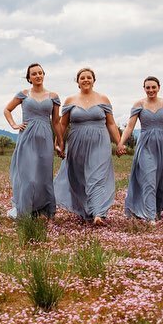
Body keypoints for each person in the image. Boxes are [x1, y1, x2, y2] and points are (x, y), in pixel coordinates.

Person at [54, 67, 121, 225]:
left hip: (100, 142)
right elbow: (62, 124)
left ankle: (98, 213)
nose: (85, 80)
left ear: (93, 80)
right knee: (79, 178)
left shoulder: (103, 99)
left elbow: (111, 123)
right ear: (77, 82)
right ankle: (87, 210)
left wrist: (119, 143)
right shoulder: (70, 101)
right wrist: (58, 143)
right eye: (82, 78)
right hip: (77, 142)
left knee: (97, 177)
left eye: (88, 77)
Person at [116, 76, 163, 223]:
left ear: (159, 87)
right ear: (144, 88)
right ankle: (150, 215)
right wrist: (120, 143)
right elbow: (130, 126)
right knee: (149, 178)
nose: (151, 90)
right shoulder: (138, 104)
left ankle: (156, 209)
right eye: (148, 87)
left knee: (160, 179)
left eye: (153, 87)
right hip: (146, 144)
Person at [3, 63, 61, 218]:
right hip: (27, 138)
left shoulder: (53, 96)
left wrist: (60, 141)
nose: (38, 76)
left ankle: (45, 210)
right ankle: (25, 212)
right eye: (34, 74)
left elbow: (56, 122)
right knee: (28, 176)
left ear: (44, 74)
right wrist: (14, 125)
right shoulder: (23, 94)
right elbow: (7, 109)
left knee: (44, 175)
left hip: (46, 138)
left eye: (40, 73)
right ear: (29, 78)